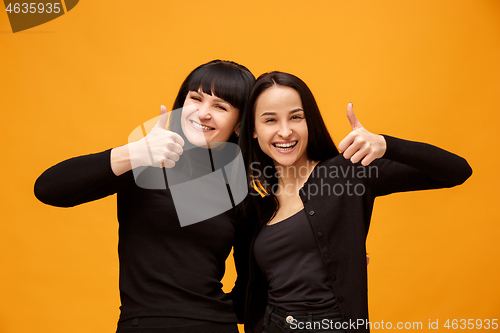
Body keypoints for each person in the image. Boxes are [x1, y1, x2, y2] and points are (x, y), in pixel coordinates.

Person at [238, 71, 472, 333]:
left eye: (296, 117)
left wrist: (386, 144)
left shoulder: (347, 172)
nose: (285, 131)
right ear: (254, 131)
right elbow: (248, 292)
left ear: (309, 121)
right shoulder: (256, 200)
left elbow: (457, 171)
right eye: (270, 120)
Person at [34, 60, 255, 333]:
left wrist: (213, 316)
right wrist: (135, 153)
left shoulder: (240, 189)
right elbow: (48, 189)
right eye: (195, 99)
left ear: (239, 124)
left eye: (220, 106)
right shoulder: (142, 163)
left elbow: (251, 285)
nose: (203, 113)